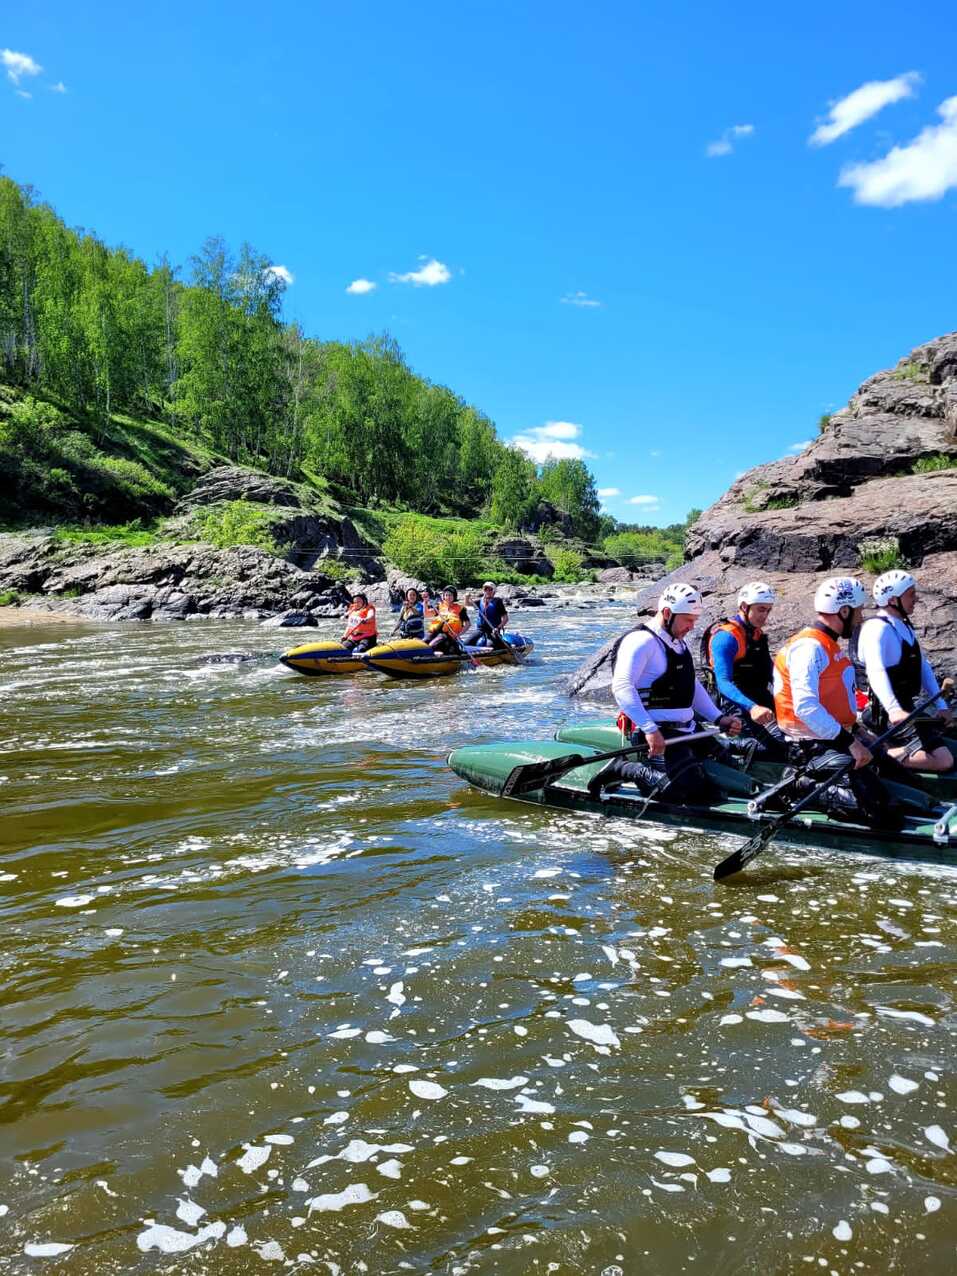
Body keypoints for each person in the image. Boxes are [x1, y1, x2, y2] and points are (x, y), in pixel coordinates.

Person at [588, 583, 743, 804]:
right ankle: (623, 767)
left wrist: (718, 717)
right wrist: (650, 730)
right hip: (656, 732)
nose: (692, 626)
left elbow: (691, 686)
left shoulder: (678, 641)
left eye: (694, 620)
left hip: (687, 730)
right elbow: (622, 687)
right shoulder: (641, 641)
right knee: (681, 792)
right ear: (668, 613)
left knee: (728, 773)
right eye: (688, 620)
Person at [772, 576, 903, 829]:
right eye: (858, 611)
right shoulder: (809, 648)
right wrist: (850, 743)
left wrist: (857, 730)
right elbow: (806, 708)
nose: (861, 618)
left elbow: (835, 698)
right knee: (883, 814)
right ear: (844, 611)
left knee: (902, 779)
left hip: (837, 736)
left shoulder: (829, 644)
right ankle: (801, 784)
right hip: (813, 748)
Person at [853, 570, 953, 772]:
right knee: (944, 761)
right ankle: (877, 754)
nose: (915, 599)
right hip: (881, 712)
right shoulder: (876, 629)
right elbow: (876, 671)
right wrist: (893, 709)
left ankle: (892, 749)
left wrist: (941, 704)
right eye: (910, 594)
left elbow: (923, 667)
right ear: (892, 600)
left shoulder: (904, 626)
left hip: (907, 708)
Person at [700, 582, 789, 761]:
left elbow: (772, 673)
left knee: (794, 740)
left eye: (768, 610)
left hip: (760, 698)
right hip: (735, 703)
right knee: (777, 749)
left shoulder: (757, 635)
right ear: (744, 607)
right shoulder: (726, 637)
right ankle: (721, 745)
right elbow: (723, 682)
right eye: (761, 609)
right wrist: (752, 707)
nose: (765, 616)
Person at [461, 581, 510, 648]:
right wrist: (466, 597)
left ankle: (506, 645)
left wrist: (498, 627)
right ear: (483, 591)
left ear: (494, 591)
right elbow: (467, 604)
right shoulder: (480, 601)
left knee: (490, 646)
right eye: (486, 589)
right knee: (466, 643)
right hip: (481, 629)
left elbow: (505, 618)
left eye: (490, 589)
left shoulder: (498, 602)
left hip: (493, 630)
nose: (488, 591)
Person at [426, 587, 470, 653]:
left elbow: (468, 624)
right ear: (443, 596)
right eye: (446, 595)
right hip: (436, 632)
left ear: (454, 596)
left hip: (448, 636)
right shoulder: (439, 606)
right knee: (425, 641)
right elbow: (427, 614)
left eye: (450, 595)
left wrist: (459, 634)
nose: (448, 597)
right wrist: (425, 602)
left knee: (431, 645)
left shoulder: (461, 609)